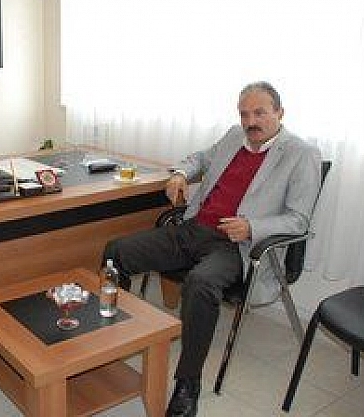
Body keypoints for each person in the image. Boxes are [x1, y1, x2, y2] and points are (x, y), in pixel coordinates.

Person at [103, 82, 322, 417]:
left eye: (259, 113)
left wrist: (252, 226)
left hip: (236, 245)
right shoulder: (235, 135)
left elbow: (299, 219)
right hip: (193, 229)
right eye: (244, 114)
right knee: (116, 251)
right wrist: (180, 174)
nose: (250, 122)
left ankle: (188, 383)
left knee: (201, 283)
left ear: (280, 113)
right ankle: (110, 343)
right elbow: (199, 159)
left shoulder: (300, 154)